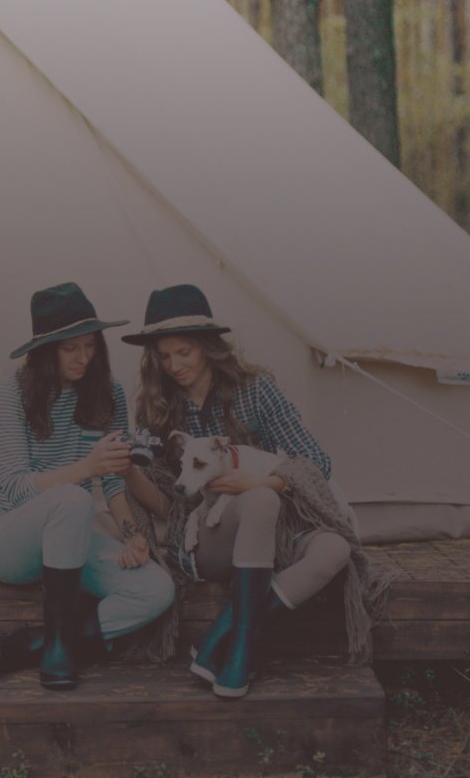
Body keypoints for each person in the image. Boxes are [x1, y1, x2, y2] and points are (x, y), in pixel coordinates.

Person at [119, 284, 368, 699]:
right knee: (261, 500)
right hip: (207, 536)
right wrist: (128, 472)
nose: (174, 365)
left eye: (184, 352)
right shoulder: (158, 407)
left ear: (207, 347)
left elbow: (315, 463)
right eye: (163, 356)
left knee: (336, 550)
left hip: (278, 527)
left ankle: (227, 638)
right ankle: (239, 653)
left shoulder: (256, 390)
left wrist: (256, 482)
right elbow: (167, 504)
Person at [0, 282, 177, 690]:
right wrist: (86, 467)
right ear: (46, 350)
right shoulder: (9, 393)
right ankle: (58, 652)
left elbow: (113, 479)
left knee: (157, 589)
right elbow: (14, 488)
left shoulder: (109, 393)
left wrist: (132, 535)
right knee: (68, 498)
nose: (84, 357)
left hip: (71, 537)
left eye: (90, 345)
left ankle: (43, 644)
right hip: (7, 537)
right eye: (71, 348)